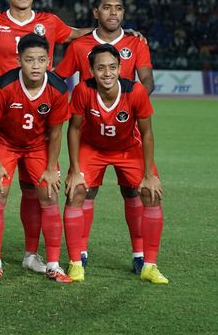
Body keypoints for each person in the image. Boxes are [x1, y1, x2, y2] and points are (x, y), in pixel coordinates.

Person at [55, 0, 154, 273]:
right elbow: (59, 78)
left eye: (119, 8)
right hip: (89, 134)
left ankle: (139, 255)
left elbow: (147, 80)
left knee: (133, 192)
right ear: (96, 13)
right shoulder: (80, 46)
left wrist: (132, 105)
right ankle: (80, 253)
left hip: (126, 132)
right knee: (85, 192)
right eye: (107, 8)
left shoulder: (136, 43)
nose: (113, 13)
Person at [63, 44, 168, 284]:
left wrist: (149, 174)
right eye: (100, 68)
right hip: (92, 148)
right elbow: (75, 129)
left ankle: (149, 265)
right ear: (91, 70)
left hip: (129, 150)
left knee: (151, 194)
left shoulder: (136, 92)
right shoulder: (82, 90)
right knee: (76, 192)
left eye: (112, 67)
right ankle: (75, 263)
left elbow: (147, 134)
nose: (107, 73)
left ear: (121, 68)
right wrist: (75, 169)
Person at [0, 34, 72, 283]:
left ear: (49, 61)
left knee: (49, 192)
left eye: (41, 60)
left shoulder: (58, 89)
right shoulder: (3, 85)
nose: (35, 65)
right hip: (5, 144)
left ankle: (51, 264)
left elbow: (56, 132)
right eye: (29, 60)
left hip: (37, 146)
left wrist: (50, 167)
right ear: (19, 60)